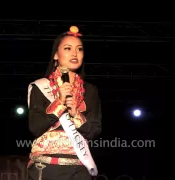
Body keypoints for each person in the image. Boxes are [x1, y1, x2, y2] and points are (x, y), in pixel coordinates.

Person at [26, 26, 102, 180]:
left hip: (80, 168)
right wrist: (60, 102)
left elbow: (95, 130)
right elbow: (35, 127)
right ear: (55, 55)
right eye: (68, 48)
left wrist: (76, 114)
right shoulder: (40, 87)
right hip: (47, 167)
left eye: (79, 49)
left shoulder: (91, 91)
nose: (75, 53)